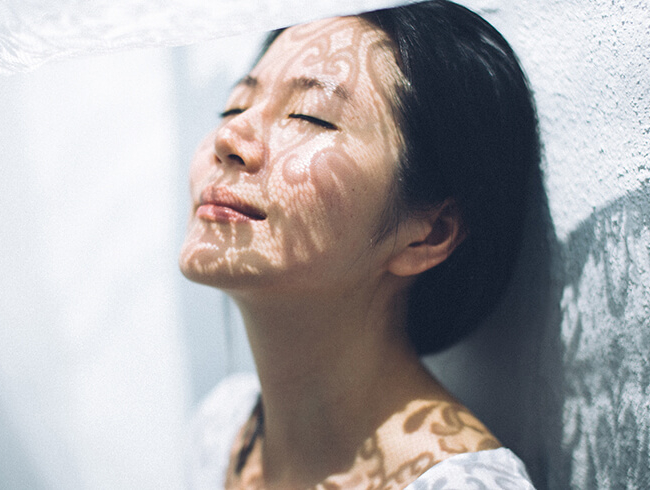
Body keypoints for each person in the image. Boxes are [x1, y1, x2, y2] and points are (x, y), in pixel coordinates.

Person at [180, 1, 541, 488]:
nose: (229, 136)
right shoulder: (223, 427)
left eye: (310, 116)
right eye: (235, 105)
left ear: (429, 233)